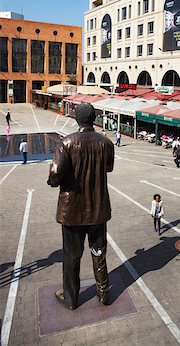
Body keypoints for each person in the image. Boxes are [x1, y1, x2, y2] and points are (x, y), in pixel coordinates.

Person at [47, 103, 114, 310]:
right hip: (98, 210)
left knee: (71, 256)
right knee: (98, 252)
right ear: (94, 118)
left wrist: (52, 178)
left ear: (76, 119)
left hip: (73, 212)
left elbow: (55, 175)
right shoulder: (106, 143)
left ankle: (71, 298)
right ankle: (103, 294)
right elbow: (109, 167)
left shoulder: (66, 143)